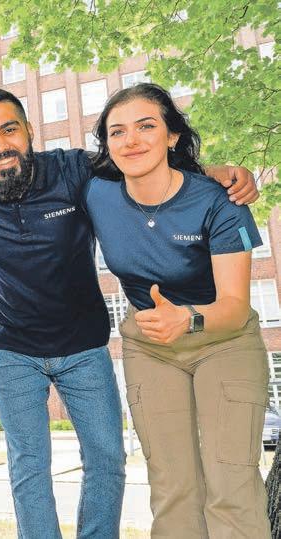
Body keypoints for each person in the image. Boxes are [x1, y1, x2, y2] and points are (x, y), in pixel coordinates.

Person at [0, 87, 259, 539]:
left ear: (29, 131)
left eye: (8, 130)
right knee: (29, 466)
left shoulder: (74, 169)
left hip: (84, 345)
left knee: (107, 460)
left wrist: (221, 173)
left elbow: (143, 164)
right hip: (10, 349)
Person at [83, 82, 270, 538]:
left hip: (223, 339)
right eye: (117, 132)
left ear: (172, 136)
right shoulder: (97, 193)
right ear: (107, 145)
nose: (131, 140)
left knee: (231, 485)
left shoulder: (219, 201)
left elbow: (234, 306)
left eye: (146, 126)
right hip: (151, 346)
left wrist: (188, 317)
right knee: (173, 489)